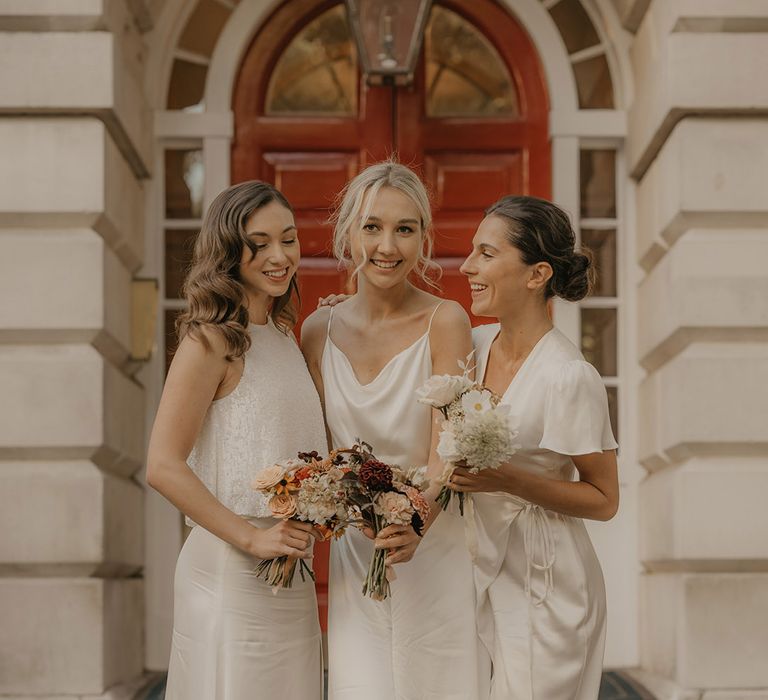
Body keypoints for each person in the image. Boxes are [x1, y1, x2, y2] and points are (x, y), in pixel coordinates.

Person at [301, 160, 489, 700]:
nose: (387, 245)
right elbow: (319, 451)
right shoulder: (319, 329)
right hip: (357, 552)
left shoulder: (446, 320)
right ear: (347, 233)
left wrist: (416, 516)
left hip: (432, 543)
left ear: (424, 239)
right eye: (372, 227)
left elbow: (447, 450)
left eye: (404, 229)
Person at [146, 181, 326, 700]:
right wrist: (250, 538)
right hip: (231, 566)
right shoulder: (211, 340)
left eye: (288, 240)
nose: (279, 256)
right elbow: (163, 464)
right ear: (228, 250)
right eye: (259, 242)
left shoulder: (287, 338)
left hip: (291, 570)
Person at [450, 194, 619, 699]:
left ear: (536, 273)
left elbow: (605, 500)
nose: (467, 266)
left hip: (545, 582)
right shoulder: (471, 347)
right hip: (472, 567)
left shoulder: (569, 377)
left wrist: (507, 479)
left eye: (486, 253)